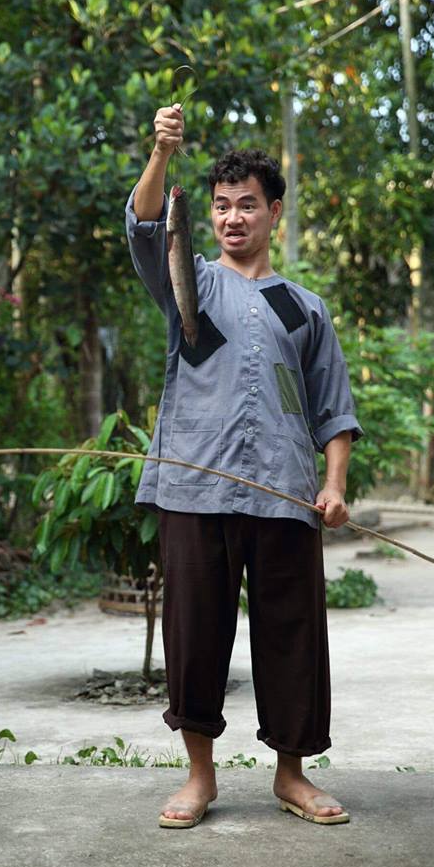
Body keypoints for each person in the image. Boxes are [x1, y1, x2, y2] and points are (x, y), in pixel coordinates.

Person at [125, 103, 363, 828]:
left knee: (293, 637)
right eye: (222, 205)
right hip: (193, 487)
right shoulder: (188, 283)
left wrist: (333, 486)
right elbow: (144, 226)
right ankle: (200, 776)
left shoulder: (303, 308)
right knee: (195, 636)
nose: (233, 217)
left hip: (286, 496)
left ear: (274, 213)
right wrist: (161, 153)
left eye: (247, 205)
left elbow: (334, 410)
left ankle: (292, 775)